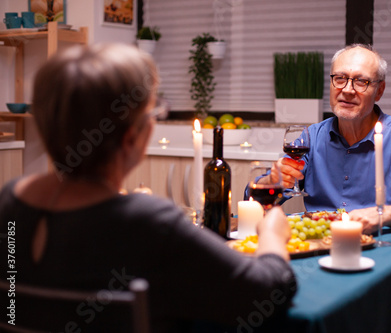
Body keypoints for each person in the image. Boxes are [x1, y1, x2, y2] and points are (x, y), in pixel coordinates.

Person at [0, 43, 296, 331]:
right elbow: (267, 293)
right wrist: (271, 234)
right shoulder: (149, 222)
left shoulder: (10, 200)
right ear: (131, 138)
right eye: (151, 115)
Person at [253, 44, 391, 233]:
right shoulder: (310, 137)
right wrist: (272, 179)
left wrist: (383, 214)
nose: (347, 90)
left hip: (378, 247)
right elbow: (256, 199)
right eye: (340, 78)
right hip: (317, 242)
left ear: (379, 91)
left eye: (361, 81)